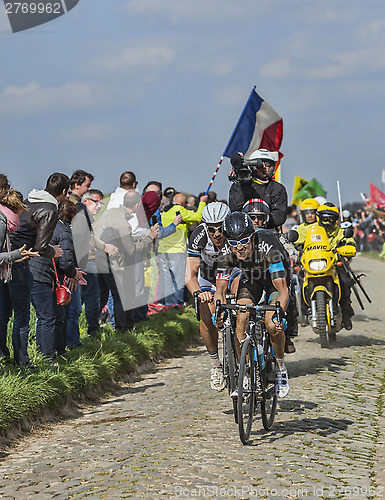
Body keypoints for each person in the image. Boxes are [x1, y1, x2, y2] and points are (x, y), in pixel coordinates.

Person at [214, 212, 290, 398]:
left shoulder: (268, 244)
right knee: (241, 317)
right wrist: (219, 310)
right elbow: (220, 291)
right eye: (233, 243)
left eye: (244, 241)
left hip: (274, 280)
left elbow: (282, 290)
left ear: (253, 236)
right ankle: (245, 372)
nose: (239, 248)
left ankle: (281, 369)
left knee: (272, 324)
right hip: (251, 280)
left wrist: (278, 314)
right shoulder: (226, 251)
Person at [9, 173, 69, 366]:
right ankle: (36, 361)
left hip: (8, 257)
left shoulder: (30, 199)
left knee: (5, 315)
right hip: (23, 261)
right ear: (65, 192)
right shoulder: (50, 209)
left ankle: (8, 358)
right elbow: (42, 246)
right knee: (31, 316)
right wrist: (55, 252)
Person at [185, 202, 241, 391]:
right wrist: (199, 293)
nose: (217, 234)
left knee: (242, 295)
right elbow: (190, 276)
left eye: (220, 228)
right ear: (205, 227)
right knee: (206, 315)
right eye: (212, 229)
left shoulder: (235, 229)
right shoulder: (198, 235)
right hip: (207, 274)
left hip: (232, 270)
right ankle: (216, 364)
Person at [29, 200, 85, 361]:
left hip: (36, 272)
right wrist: (73, 272)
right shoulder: (64, 230)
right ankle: (52, 356)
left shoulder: (47, 223)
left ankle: (45, 355)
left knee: (45, 317)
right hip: (46, 275)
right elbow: (66, 261)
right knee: (52, 317)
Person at [94, 191, 158, 330]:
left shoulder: (110, 212)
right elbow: (132, 250)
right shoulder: (124, 223)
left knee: (102, 295)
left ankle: (93, 327)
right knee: (121, 296)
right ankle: (123, 329)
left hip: (97, 259)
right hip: (111, 263)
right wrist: (150, 237)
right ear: (137, 205)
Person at [242, 198, 297, 354]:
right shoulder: (240, 236)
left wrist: (293, 255)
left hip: (274, 276)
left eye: (260, 217)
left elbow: (288, 245)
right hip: (253, 278)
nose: (256, 220)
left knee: (287, 299)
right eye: (252, 217)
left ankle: (286, 335)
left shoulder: (275, 234)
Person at [0, 188, 38, 361]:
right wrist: (17, 255)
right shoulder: (4, 222)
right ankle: (22, 361)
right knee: (21, 317)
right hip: (15, 268)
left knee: (3, 315)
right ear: (17, 207)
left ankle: (3, 356)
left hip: (5, 272)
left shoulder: (5, 221)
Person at [158, 192, 207, 307]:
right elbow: (199, 217)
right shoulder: (180, 210)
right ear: (182, 203)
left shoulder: (166, 210)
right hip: (176, 250)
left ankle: (168, 305)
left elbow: (185, 224)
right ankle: (177, 305)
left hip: (163, 250)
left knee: (167, 280)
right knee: (178, 280)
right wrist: (202, 202)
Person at [316, 202, 356, 330]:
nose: (327, 221)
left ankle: (345, 313)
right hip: (315, 264)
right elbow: (299, 240)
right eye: (324, 218)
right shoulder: (313, 230)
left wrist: (346, 253)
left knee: (345, 281)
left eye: (331, 218)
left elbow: (350, 242)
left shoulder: (341, 231)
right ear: (319, 218)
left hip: (334, 264)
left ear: (336, 219)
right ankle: (301, 311)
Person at [228, 149, 288, 230]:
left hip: (269, 233)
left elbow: (279, 217)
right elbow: (235, 210)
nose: (264, 167)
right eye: (259, 164)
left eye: (267, 164)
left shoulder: (278, 189)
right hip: (244, 232)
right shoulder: (241, 186)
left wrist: (261, 220)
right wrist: (239, 182)